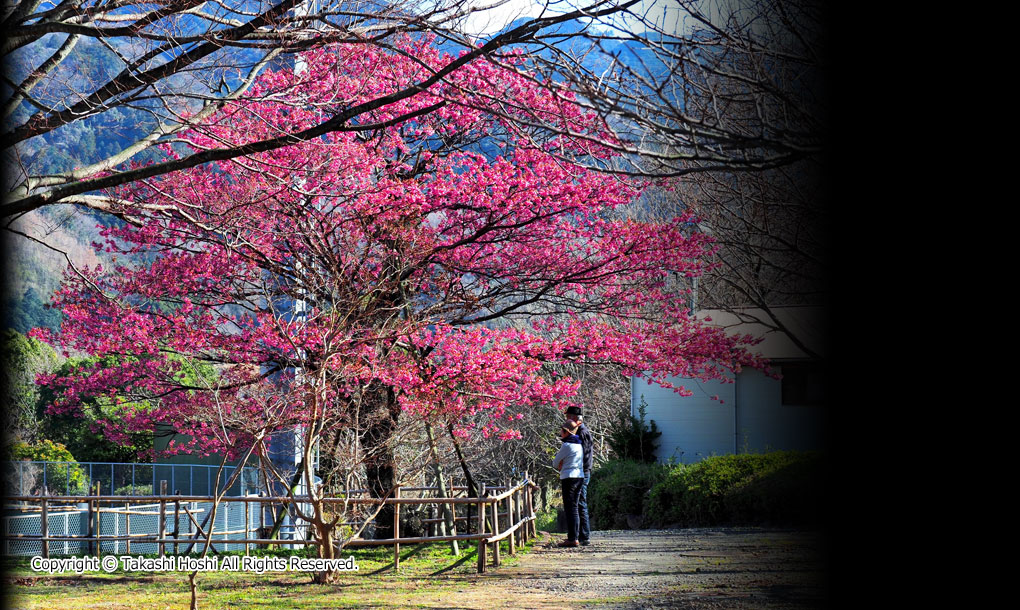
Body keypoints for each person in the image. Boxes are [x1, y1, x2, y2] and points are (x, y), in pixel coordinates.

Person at [552, 420, 584, 548]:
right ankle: (575, 537)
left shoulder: (566, 445)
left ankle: (572, 538)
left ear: (566, 432)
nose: (560, 432)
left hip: (568, 477)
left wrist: (561, 464)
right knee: (575, 508)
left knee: (570, 508)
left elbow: (555, 463)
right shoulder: (579, 444)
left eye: (562, 430)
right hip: (579, 476)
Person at [565, 405, 593, 546]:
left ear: (574, 418)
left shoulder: (582, 432)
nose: (566, 419)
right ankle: (582, 535)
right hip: (582, 471)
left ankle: (584, 535)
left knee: (580, 503)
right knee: (580, 503)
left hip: (582, 472)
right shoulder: (580, 431)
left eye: (568, 417)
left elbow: (585, 454)